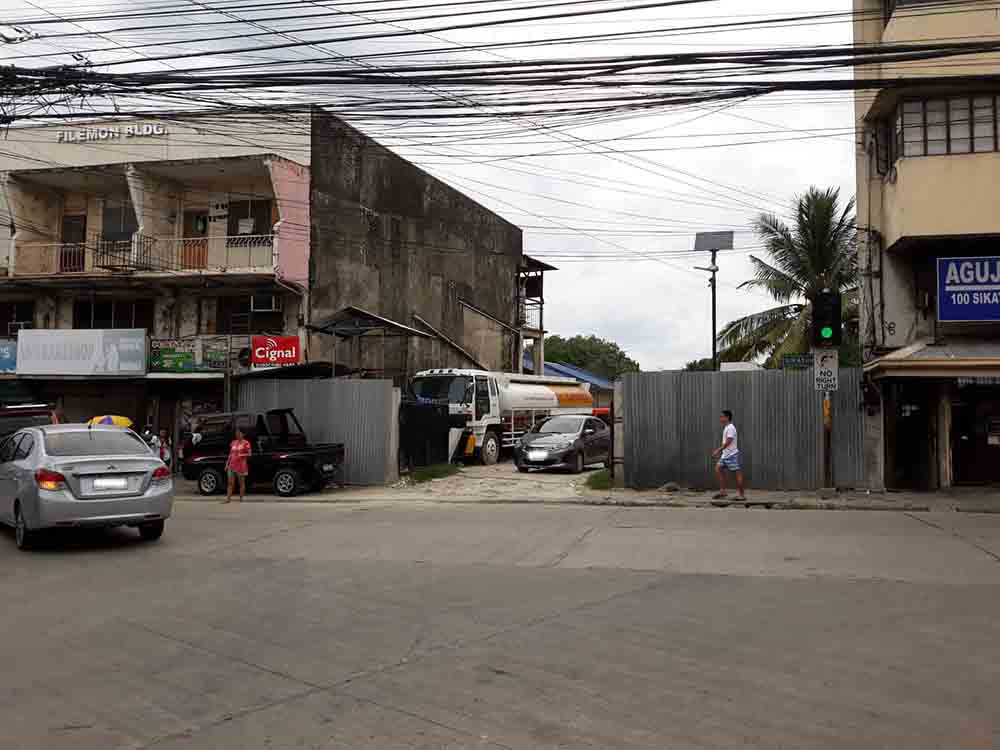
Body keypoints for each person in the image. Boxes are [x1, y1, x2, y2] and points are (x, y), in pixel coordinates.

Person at [712, 409, 746, 501]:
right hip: (725, 455)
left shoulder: (731, 427)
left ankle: (741, 495)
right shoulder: (727, 427)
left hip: (731, 455)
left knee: (737, 474)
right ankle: (723, 491)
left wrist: (718, 450)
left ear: (727, 417)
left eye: (722, 417)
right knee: (718, 468)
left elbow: (728, 441)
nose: (720, 418)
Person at [224, 427, 251, 503]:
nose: (237, 434)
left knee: (241, 483)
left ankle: (241, 498)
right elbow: (230, 454)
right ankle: (228, 499)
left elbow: (249, 454)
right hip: (231, 465)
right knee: (230, 483)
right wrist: (227, 463)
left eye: (239, 433)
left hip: (241, 466)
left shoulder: (246, 443)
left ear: (243, 434)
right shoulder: (233, 442)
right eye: (236, 433)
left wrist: (241, 454)